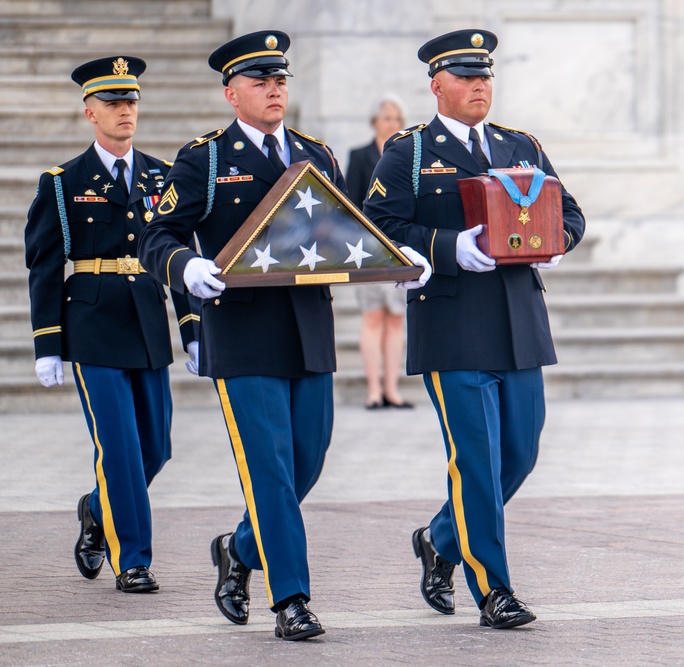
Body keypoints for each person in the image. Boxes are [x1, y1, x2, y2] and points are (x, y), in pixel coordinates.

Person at [138, 30, 427, 642]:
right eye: (260, 81)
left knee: (308, 460)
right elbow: (156, 235)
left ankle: (239, 551)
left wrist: (394, 256)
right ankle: (290, 598)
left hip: (308, 331)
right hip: (241, 335)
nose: (274, 89)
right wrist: (186, 268)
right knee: (269, 469)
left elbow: (348, 228)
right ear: (231, 94)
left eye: (281, 80)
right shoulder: (206, 158)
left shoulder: (314, 154)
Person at [363, 29, 586, 628]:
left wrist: (555, 243)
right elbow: (378, 230)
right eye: (465, 76)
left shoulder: (521, 145)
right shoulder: (407, 151)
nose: (479, 85)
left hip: (518, 319)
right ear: (437, 85)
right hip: (452, 321)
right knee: (477, 462)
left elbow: (570, 212)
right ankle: (494, 590)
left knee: (521, 452)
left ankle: (439, 538)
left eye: (485, 75)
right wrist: (448, 246)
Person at [24, 56, 199, 594]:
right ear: (89, 113)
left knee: (156, 447)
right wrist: (47, 343)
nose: (125, 111)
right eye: (113, 104)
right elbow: (45, 263)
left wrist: (192, 329)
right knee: (120, 450)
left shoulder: (160, 176)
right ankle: (134, 561)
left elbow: (179, 253)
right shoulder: (63, 182)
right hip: (93, 325)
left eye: (131, 102)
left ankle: (95, 508)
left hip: (147, 321)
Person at [345, 95, 413, 409]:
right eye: (387, 117)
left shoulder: (409, 155)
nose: (392, 124)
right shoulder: (359, 156)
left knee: (397, 318)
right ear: (375, 121)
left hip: (400, 248)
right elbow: (350, 203)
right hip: (369, 250)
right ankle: (373, 390)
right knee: (373, 317)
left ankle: (392, 389)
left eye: (397, 118)